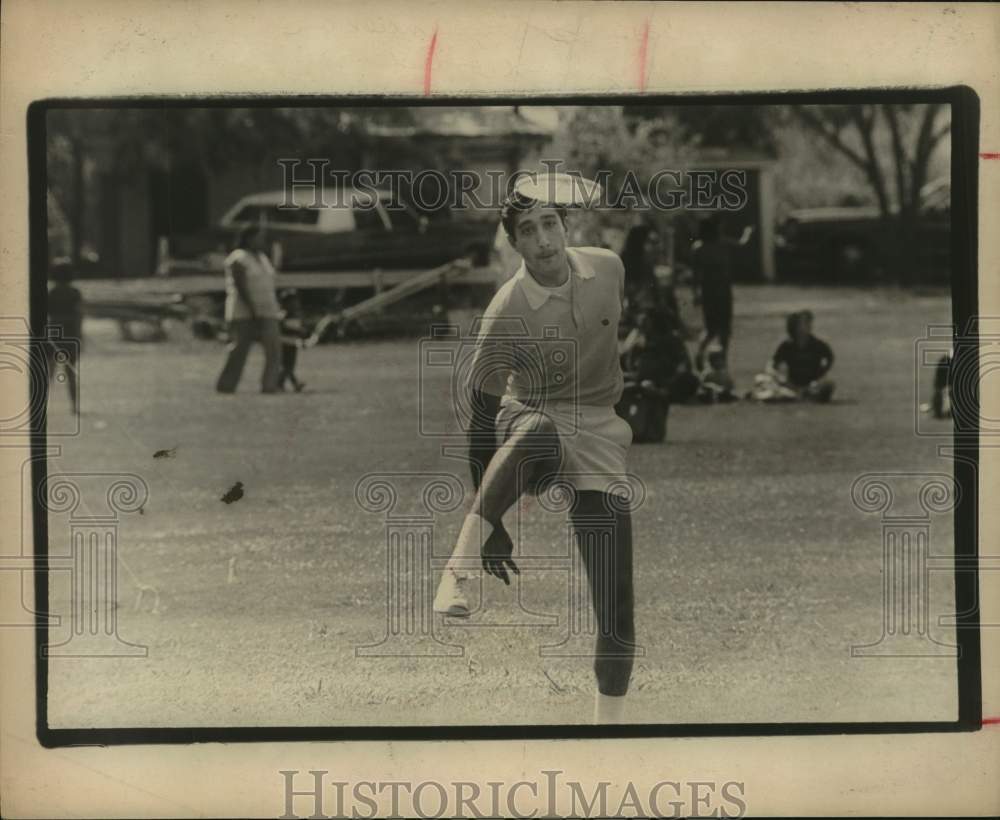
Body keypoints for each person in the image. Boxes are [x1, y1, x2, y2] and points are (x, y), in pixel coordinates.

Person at [433, 180, 637, 724]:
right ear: (513, 244)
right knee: (542, 426)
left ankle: (608, 736)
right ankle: (459, 563)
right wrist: (491, 519)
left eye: (550, 224)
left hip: (600, 433)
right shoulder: (505, 310)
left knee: (617, 607)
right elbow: (480, 415)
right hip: (529, 420)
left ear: (565, 226)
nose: (543, 239)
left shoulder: (610, 269)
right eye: (528, 231)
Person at [215, 225, 282, 394]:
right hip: (243, 312)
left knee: (273, 348)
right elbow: (240, 286)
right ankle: (226, 385)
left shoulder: (262, 257)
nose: (261, 241)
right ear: (248, 238)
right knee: (240, 350)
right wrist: (252, 309)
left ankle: (269, 385)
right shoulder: (238, 257)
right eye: (258, 237)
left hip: (268, 310)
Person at [690, 216, 753, 370]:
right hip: (723, 291)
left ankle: (700, 351)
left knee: (710, 328)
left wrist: (695, 294)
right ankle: (722, 358)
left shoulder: (699, 248)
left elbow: (695, 275)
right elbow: (742, 244)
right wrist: (748, 232)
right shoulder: (723, 244)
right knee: (724, 328)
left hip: (708, 292)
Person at [750, 310, 836, 402]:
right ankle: (799, 396)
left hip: (811, 384)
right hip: (792, 384)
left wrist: (821, 374)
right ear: (795, 326)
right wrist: (781, 378)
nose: (809, 325)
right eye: (804, 323)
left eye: (809, 322)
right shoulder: (787, 346)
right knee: (761, 379)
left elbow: (830, 358)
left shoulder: (817, 344)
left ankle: (799, 396)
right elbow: (773, 365)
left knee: (828, 384)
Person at [46, 260, 82, 414]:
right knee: (71, 372)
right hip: (71, 333)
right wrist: (80, 335)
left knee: (50, 372)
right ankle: (74, 406)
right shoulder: (75, 293)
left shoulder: (51, 293)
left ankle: (42, 404)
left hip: (54, 333)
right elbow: (79, 314)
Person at [277, 289, 308, 392]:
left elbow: (300, 331)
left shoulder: (297, 315)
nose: (295, 304)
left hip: (293, 343)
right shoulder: (283, 315)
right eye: (291, 302)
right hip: (284, 343)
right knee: (287, 366)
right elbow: (280, 329)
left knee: (289, 366)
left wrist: (302, 339)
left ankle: (289, 384)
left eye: (295, 302)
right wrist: (296, 331)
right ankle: (282, 383)